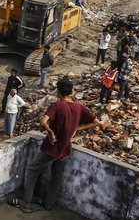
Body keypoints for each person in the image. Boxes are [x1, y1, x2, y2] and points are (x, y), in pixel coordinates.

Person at [14, 78, 97, 211]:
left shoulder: (57, 106)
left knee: (33, 170)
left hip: (52, 147)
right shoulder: (78, 106)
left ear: (58, 91)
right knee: (56, 177)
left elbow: (43, 121)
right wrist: (75, 128)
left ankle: (25, 202)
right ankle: (48, 204)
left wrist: (50, 132)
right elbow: (96, 122)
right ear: (71, 92)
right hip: (66, 149)